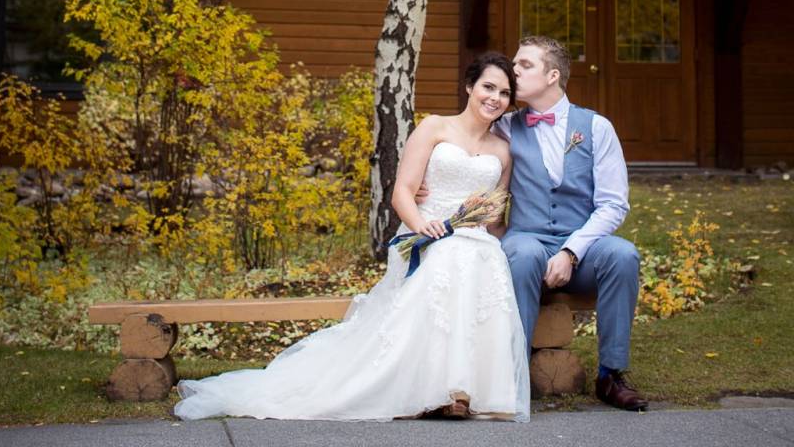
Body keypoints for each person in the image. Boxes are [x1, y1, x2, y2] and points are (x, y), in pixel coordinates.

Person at [175, 52, 530, 422]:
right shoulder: (435, 128)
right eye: (488, 87)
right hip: (426, 233)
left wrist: (486, 228)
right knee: (449, 257)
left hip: (473, 239)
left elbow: (493, 211)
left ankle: (471, 390)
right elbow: (402, 193)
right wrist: (423, 225)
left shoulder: (502, 150)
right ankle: (436, 389)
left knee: (486, 259)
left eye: (504, 93)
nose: (495, 98)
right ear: (470, 86)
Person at [498, 35, 648, 412]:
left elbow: (614, 205)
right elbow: (469, 156)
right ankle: (510, 374)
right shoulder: (503, 126)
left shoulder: (597, 128)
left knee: (623, 255)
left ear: (552, 75)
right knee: (523, 253)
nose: (513, 71)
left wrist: (571, 251)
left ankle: (610, 375)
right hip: (527, 238)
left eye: (524, 65)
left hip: (582, 246)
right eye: (513, 65)